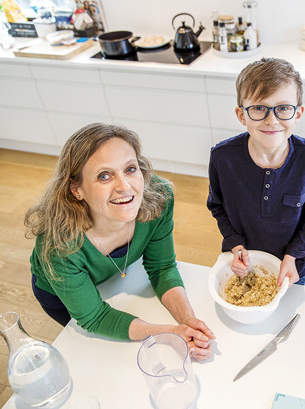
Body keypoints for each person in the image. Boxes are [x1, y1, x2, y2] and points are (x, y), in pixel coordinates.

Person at [25, 123, 214, 360]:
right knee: (93, 352)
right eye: (104, 176)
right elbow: (94, 317)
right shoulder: (58, 244)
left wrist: (188, 321)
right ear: (76, 190)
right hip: (58, 295)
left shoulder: (159, 198)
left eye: (130, 169)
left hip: (112, 278)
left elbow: (162, 267)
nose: (124, 187)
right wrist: (170, 333)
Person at [207, 57, 305, 287]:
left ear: (298, 114)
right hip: (242, 262)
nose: (271, 120)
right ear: (241, 114)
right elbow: (217, 206)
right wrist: (235, 244)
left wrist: (293, 255)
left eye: (283, 108)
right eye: (258, 108)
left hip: (292, 265)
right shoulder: (221, 158)